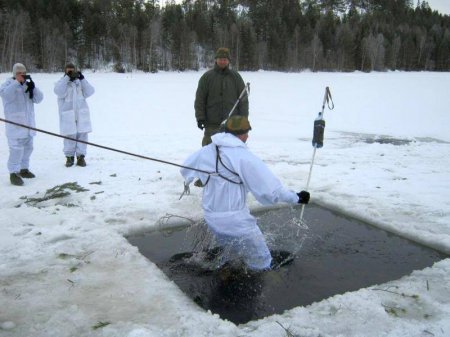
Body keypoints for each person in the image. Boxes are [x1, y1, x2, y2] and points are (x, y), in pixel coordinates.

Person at [180, 115, 310, 271]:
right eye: (247, 132)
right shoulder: (244, 157)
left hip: (211, 217)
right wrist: (296, 197)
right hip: (236, 221)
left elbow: (185, 169)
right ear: (241, 134)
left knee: (232, 252)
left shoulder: (206, 150)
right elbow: (271, 190)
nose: (248, 136)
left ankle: (226, 273)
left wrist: (191, 180)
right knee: (262, 261)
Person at [195, 47, 249, 147]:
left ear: (228, 61)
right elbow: (200, 100)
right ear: (216, 60)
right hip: (212, 123)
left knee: (230, 152)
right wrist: (200, 117)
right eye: (220, 59)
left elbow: (243, 100)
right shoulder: (207, 77)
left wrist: (244, 119)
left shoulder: (236, 77)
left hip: (233, 124)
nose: (222, 61)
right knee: (209, 151)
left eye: (225, 59)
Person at [0, 63, 44, 186]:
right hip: (15, 125)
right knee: (16, 150)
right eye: (19, 73)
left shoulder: (26, 85)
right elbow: (5, 96)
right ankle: (14, 173)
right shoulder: (8, 84)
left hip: (28, 125)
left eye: (23, 73)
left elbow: (39, 99)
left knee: (28, 148)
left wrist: (33, 87)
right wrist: (16, 83)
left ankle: (24, 169)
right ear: (14, 73)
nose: (22, 75)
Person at [54, 63, 95, 167]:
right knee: (69, 136)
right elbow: (58, 92)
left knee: (82, 135)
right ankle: (69, 157)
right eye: (69, 70)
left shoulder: (80, 83)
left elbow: (90, 91)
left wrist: (82, 79)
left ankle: (81, 157)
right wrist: (67, 78)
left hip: (81, 114)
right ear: (65, 71)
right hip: (68, 115)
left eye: (73, 70)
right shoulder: (62, 83)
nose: (71, 72)